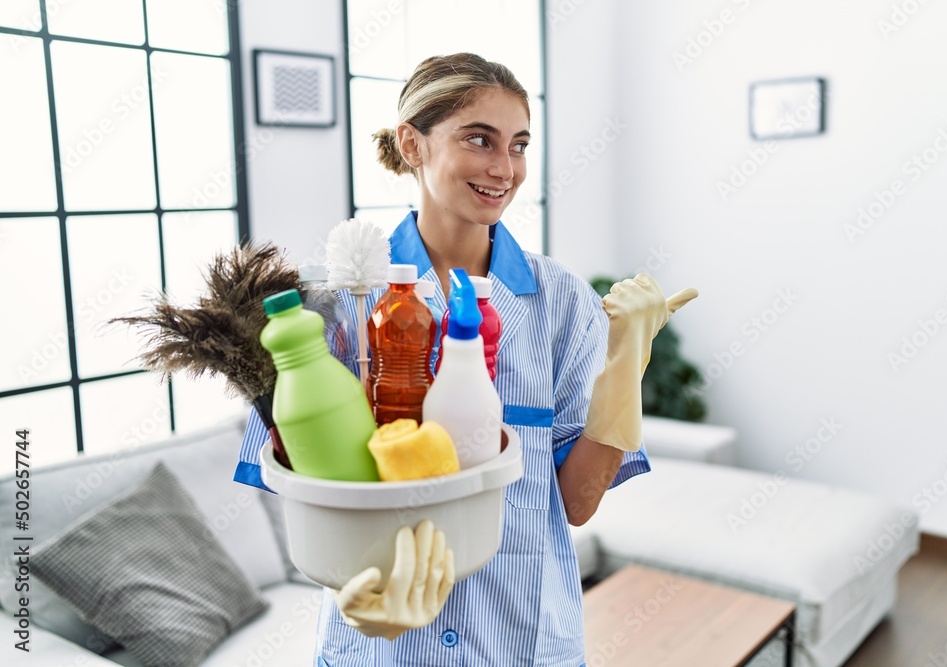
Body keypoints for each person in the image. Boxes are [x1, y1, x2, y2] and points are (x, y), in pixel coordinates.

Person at [239, 52, 694, 666]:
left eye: (519, 145)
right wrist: (354, 595)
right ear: (412, 144)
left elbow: (577, 504)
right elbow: (304, 491)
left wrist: (627, 362)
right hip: (382, 648)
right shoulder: (335, 306)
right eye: (479, 139)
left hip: (524, 643)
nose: (503, 168)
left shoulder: (560, 301)